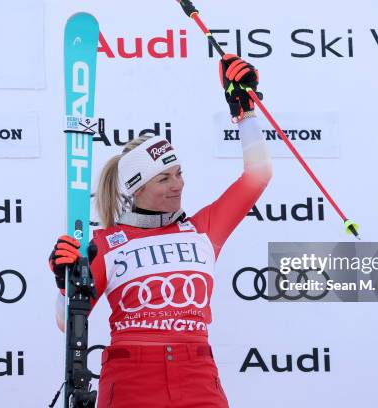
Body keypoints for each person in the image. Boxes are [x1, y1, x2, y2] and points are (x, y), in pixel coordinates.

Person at [49, 54, 272, 408]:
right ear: (135, 189)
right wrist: (66, 284)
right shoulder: (106, 244)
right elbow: (66, 323)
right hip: (131, 378)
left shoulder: (202, 229)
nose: (177, 185)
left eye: (179, 173)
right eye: (164, 178)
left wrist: (244, 111)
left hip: (197, 373)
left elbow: (257, 175)